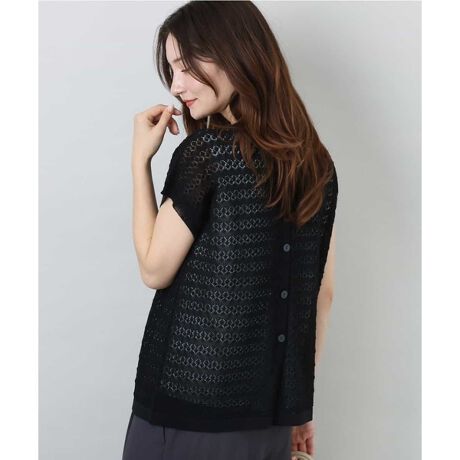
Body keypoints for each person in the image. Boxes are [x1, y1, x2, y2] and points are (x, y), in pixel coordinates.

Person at [124, 1, 338, 459]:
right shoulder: (317, 164)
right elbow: (321, 294)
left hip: (186, 410)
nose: (176, 85)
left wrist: (140, 162)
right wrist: (295, 408)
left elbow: (154, 269)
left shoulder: (207, 154)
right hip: (269, 417)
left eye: (186, 66)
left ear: (236, 54)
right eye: (171, 69)